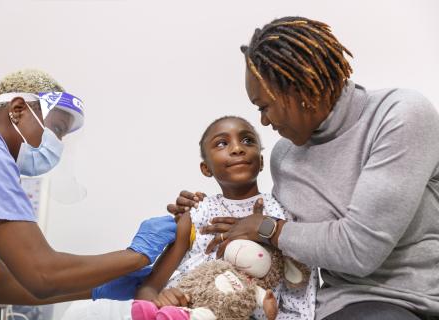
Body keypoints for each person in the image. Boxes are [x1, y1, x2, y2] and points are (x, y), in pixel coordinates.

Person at [168, 17, 439, 320]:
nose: (264, 122)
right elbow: (285, 243)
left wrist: (268, 228)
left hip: (417, 300)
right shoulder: (285, 156)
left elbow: (360, 249)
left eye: (263, 106)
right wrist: (200, 210)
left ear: (299, 92)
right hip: (342, 305)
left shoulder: (400, 115)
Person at [0, 69, 176, 319]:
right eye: (57, 129)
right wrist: (138, 254)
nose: (57, 144)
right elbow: (42, 274)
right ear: (17, 110)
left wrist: (99, 287)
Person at [132, 116, 318, 320]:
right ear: (206, 169)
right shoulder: (196, 214)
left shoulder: (282, 214)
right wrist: (161, 298)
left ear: (262, 161)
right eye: (222, 143)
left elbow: (301, 296)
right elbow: (149, 288)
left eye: (248, 140)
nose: (238, 148)